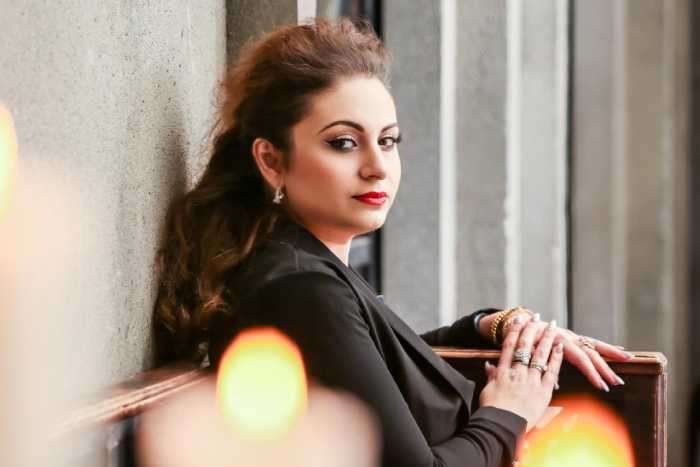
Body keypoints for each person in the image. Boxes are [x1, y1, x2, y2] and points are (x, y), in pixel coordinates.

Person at [154, 18, 632, 467]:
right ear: (272, 161)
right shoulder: (299, 287)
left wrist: (489, 327)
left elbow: (378, 370)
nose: (377, 167)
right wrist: (509, 413)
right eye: (344, 142)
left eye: (388, 140)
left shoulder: (303, 270)